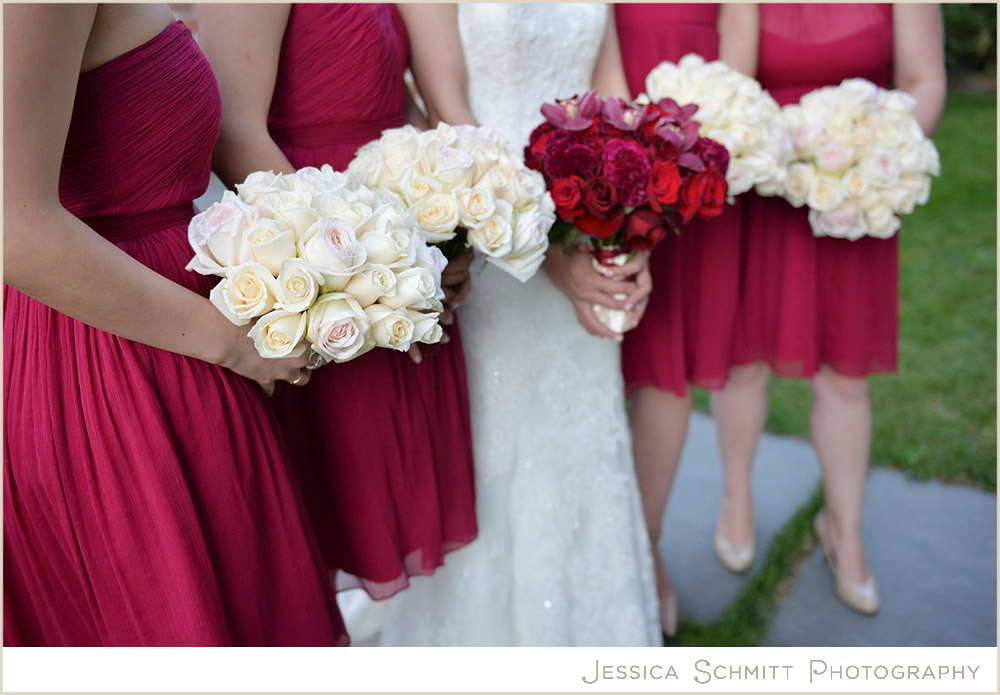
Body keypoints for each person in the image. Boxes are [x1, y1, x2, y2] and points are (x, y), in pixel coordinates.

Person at [4, 3, 346, 645]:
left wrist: (353, 259)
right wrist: (236, 347)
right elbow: (14, 229)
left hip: (172, 330)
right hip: (108, 361)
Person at [376, 3, 660, 646]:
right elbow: (447, 108)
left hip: (585, 217)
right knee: (498, 442)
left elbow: (613, 102)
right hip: (490, 220)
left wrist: (628, 229)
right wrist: (546, 243)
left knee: (579, 433)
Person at [199, 3, 478, 601]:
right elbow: (233, 130)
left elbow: (398, 101)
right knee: (328, 501)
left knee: (388, 500)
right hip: (318, 253)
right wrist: (366, 267)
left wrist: (439, 239)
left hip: (393, 236)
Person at [714, 3, 946, 614]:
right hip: (765, 193)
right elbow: (733, 88)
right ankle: (736, 499)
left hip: (856, 203)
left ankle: (845, 530)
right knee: (743, 362)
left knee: (846, 378)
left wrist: (879, 159)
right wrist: (773, 153)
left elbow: (924, 80)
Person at [615, 3, 760, 637]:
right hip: (607, 131)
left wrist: (706, 145)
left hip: (695, 153)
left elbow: (739, 51)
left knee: (663, 359)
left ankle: (646, 541)